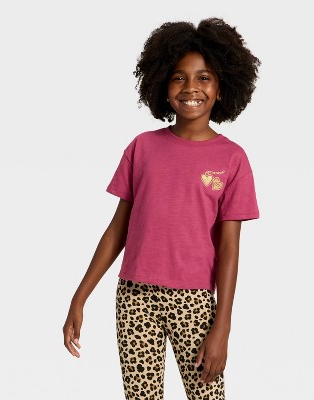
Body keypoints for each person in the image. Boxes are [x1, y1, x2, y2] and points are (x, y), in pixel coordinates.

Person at [63, 17, 261, 400]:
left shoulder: (233, 159)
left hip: (195, 302)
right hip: (135, 298)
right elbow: (117, 230)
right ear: (162, 84)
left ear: (222, 87)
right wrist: (80, 296)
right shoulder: (142, 148)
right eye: (178, 77)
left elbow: (229, 247)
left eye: (204, 78)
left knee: (207, 395)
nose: (191, 88)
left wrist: (222, 326)